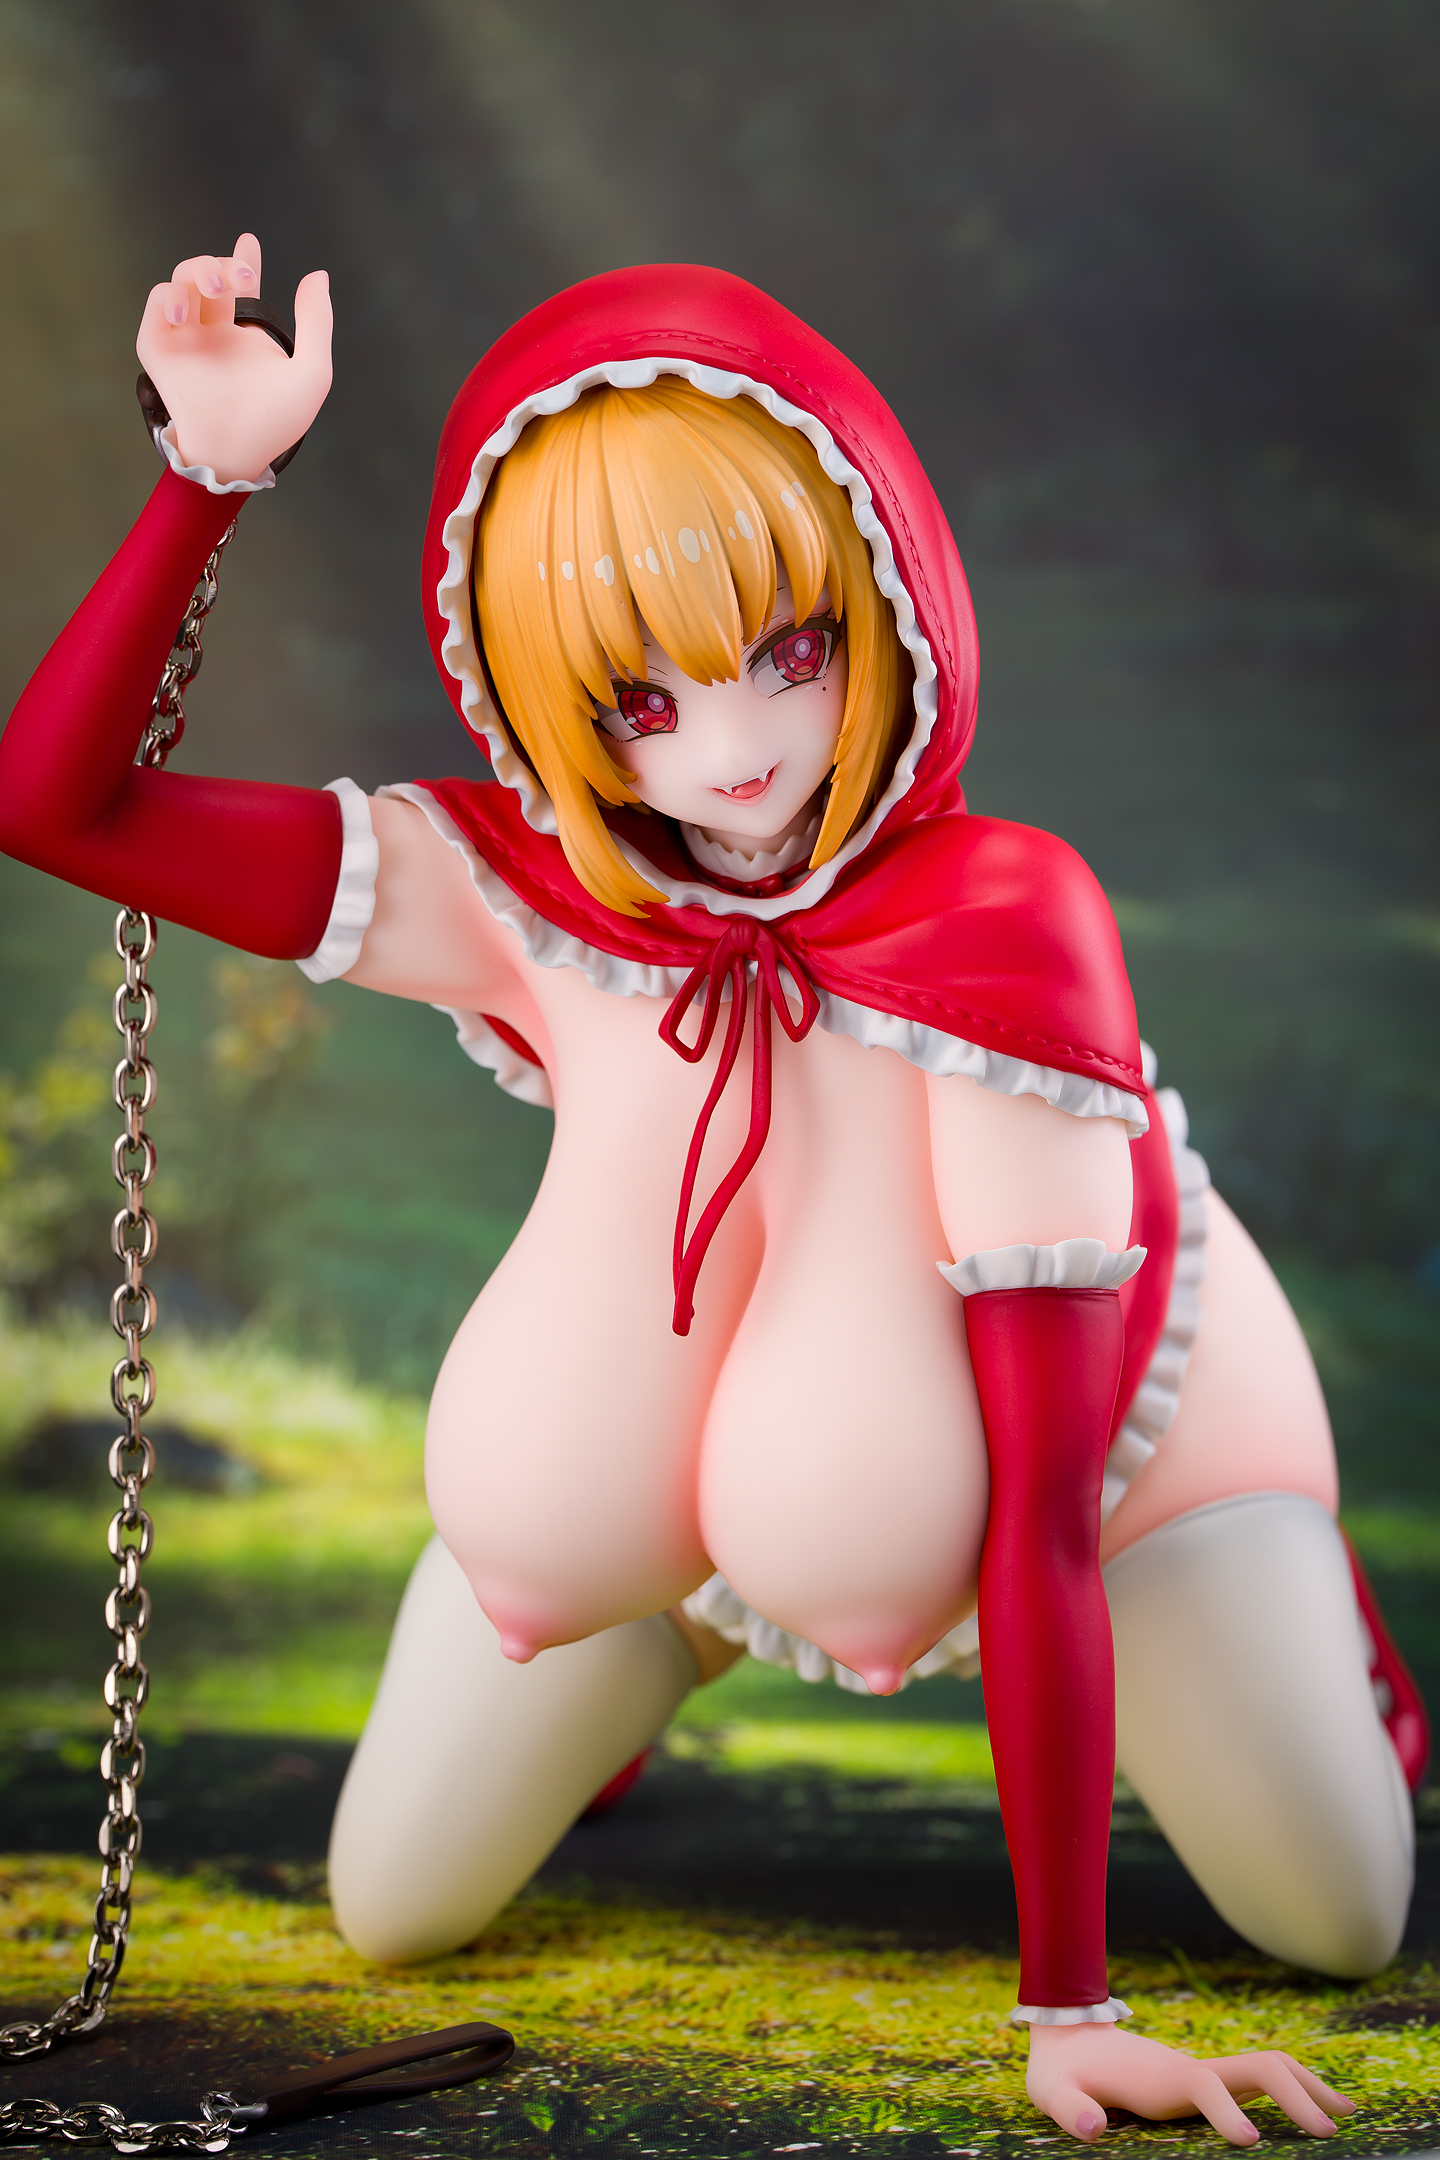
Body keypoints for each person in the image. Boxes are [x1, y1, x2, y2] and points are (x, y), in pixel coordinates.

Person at [0, 234, 1420, 2145]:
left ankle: (1320, 1631)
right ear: (538, 695)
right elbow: (58, 806)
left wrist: (1065, 2009)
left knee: (1336, 1916)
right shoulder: (516, 893)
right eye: (639, 699)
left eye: (790, 651)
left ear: (886, 593)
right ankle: (656, 1616)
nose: (738, 752)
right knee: (391, 1904)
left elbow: (1039, 1526)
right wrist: (205, 479)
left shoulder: (1007, 936)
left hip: (1122, 1485)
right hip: (701, 1502)